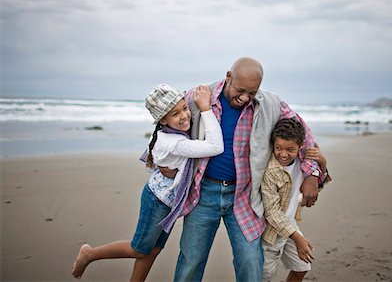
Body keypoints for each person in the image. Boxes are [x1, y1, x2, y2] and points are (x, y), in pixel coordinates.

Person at [172, 57, 329, 281]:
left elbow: (304, 136)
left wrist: (312, 173)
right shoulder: (199, 96)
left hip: (245, 195)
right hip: (203, 193)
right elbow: (167, 123)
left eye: (252, 93)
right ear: (228, 77)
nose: (245, 98)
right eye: (240, 90)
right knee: (191, 260)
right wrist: (160, 161)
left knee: (250, 260)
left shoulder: (272, 104)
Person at [71, 84, 224, 281]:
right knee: (139, 248)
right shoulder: (172, 142)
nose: (184, 115)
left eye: (185, 108)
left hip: (168, 201)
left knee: (154, 250)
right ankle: (89, 254)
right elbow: (215, 146)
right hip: (157, 201)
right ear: (162, 120)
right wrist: (205, 108)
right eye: (175, 113)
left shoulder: (171, 133)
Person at [261, 118, 330, 282]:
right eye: (278, 148)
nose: (283, 154)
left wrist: (323, 163)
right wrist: (298, 238)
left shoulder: (303, 164)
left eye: (290, 149)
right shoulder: (271, 172)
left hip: (291, 225)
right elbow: (271, 212)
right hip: (270, 233)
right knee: (265, 276)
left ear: (300, 147)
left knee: (302, 267)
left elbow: (312, 192)